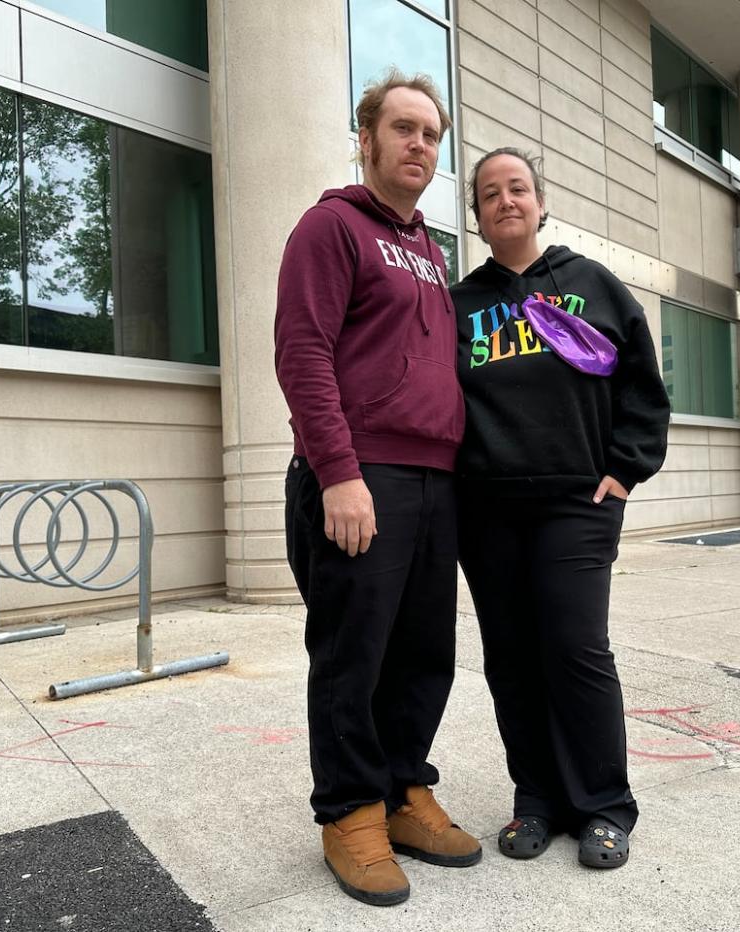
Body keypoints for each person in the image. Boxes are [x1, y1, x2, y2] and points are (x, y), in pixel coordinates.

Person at [273, 69, 481, 908]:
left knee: (425, 655)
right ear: (366, 139)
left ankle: (403, 792)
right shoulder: (330, 228)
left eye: (431, 135)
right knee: (352, 658)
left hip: (435, 482)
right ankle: (350, 812)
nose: (419, 145)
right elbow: (302, 354)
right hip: (362, 478)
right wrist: (339, 473)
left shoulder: (432, 252)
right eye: (403, 129)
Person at [451, 148, 669, 870]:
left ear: (540, 203)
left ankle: (604, 805)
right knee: (511, 660)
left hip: (576, 503)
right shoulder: (460, 305)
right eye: (490, 194)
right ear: (478, 217)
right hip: (487, 510)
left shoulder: (592, 285)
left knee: (575, 651)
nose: (505, 200)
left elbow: (642, 384)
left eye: (518, 188)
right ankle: (537, 799)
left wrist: (625, 470)